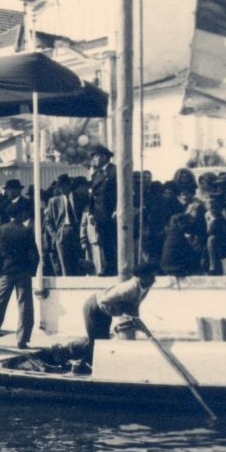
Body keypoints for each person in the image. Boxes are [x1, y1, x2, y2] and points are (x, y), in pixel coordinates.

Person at [69, 261, 158, 373]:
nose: (154, 280)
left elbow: (134, 306)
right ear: (142, 277)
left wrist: (137, 321)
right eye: (152, 277)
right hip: (94, 306)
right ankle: (78, 362)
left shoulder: (145, 287)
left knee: (103, 340)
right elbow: (104, 301)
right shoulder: (129, 288)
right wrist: (120, 309)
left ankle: (85, 363)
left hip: (103, 311)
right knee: (97, 342)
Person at [0, 202, 40, 349]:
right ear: (20, 214)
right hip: (23, 272)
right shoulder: (26, 231)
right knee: (25, 306)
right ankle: (22, 339)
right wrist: (31, 271)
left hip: (5, 271)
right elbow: (35, 255)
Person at [88, 145, 118, 275]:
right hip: (99, 213)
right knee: (105, 242)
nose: (94, 159)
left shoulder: (115, 171)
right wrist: (91, 213)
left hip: (111, 213)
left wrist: (117, 209)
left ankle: (117, 267)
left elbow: (120, 192)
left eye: (96, 156)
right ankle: (110, 267)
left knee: (114, 241)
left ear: (105, 157)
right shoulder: (97, 174)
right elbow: (93, 196)